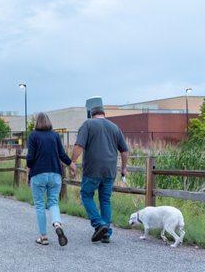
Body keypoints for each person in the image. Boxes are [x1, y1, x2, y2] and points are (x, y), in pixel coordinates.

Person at [70, 105, 129, 243]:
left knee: (86, 195)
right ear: (103, 114)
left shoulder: (88, 124)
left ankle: (98, 224)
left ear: (92, 114)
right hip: (110, 170)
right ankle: (106, 233)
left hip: (92, 169)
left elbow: (79, 146)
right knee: (105, 200)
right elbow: (125, 151)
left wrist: (72, 161)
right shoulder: (115, 127)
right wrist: (124, 168)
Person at [26, 112, 72, 246]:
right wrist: (71, 164)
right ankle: (57, 224)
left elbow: (30, 157)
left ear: (37, 123)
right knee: (53, 203)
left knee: (40, 205)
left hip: (38, 174)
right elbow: (62, 154)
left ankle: (43, 236)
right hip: (55, 173)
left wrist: (28, 171)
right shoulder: (55, 135)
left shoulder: (33, 136)